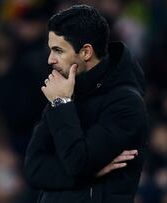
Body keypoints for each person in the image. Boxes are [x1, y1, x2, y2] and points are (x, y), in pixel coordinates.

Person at [24, 5, 148, 203]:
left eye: (58, 50)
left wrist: (61, 103)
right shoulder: (65, 91)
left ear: (86, 52)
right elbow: (33, 169)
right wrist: (91, 174)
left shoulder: (126, 104)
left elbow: (77, 164)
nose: (50, 60)